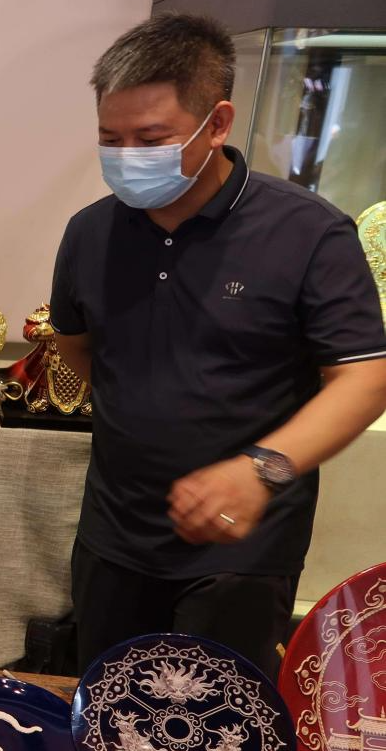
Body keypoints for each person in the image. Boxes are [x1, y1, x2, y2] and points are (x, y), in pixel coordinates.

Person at [49, 13, 386, 679]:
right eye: (111, 139)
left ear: (218, 123)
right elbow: (76, 347)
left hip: (243, 550)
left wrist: (260, 468)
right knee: (110, 708)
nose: (127, 156)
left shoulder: (308, 233)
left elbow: (365, 377)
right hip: (115, 535)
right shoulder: (90, 233)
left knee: (218, 719)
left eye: (151, 139)